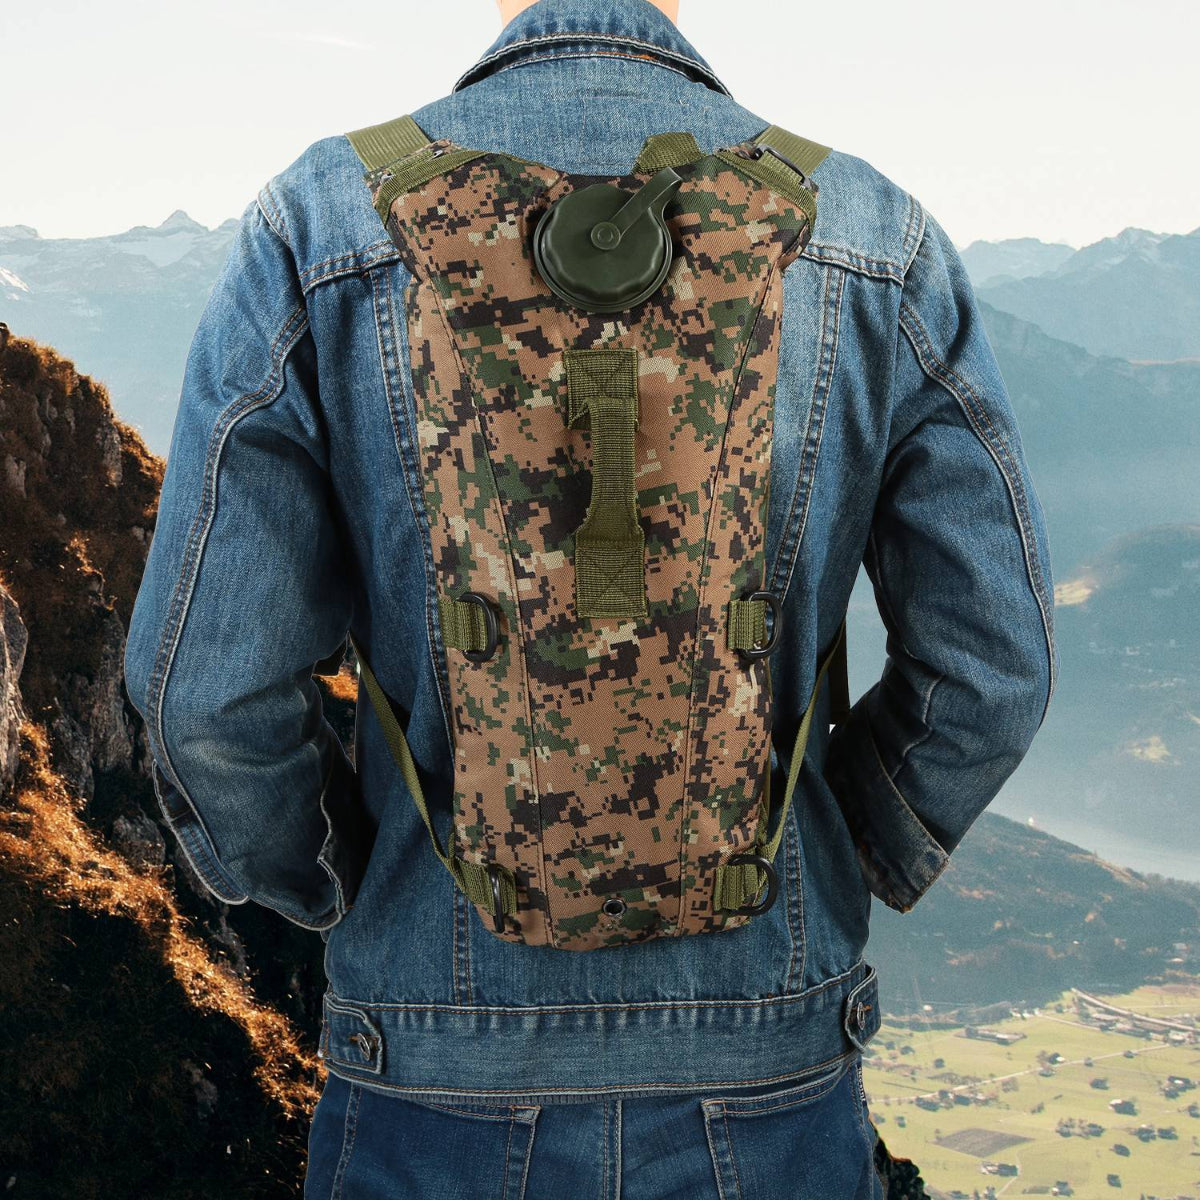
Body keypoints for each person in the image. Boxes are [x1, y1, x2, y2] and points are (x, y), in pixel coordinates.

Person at [122, 0, 1057, 1194]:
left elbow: (205, 694)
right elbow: (995, 670)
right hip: (770, 1059)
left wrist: (350, 884)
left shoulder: (321, 220)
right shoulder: (873, 233)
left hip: (433, 1060)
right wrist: (836, 846)